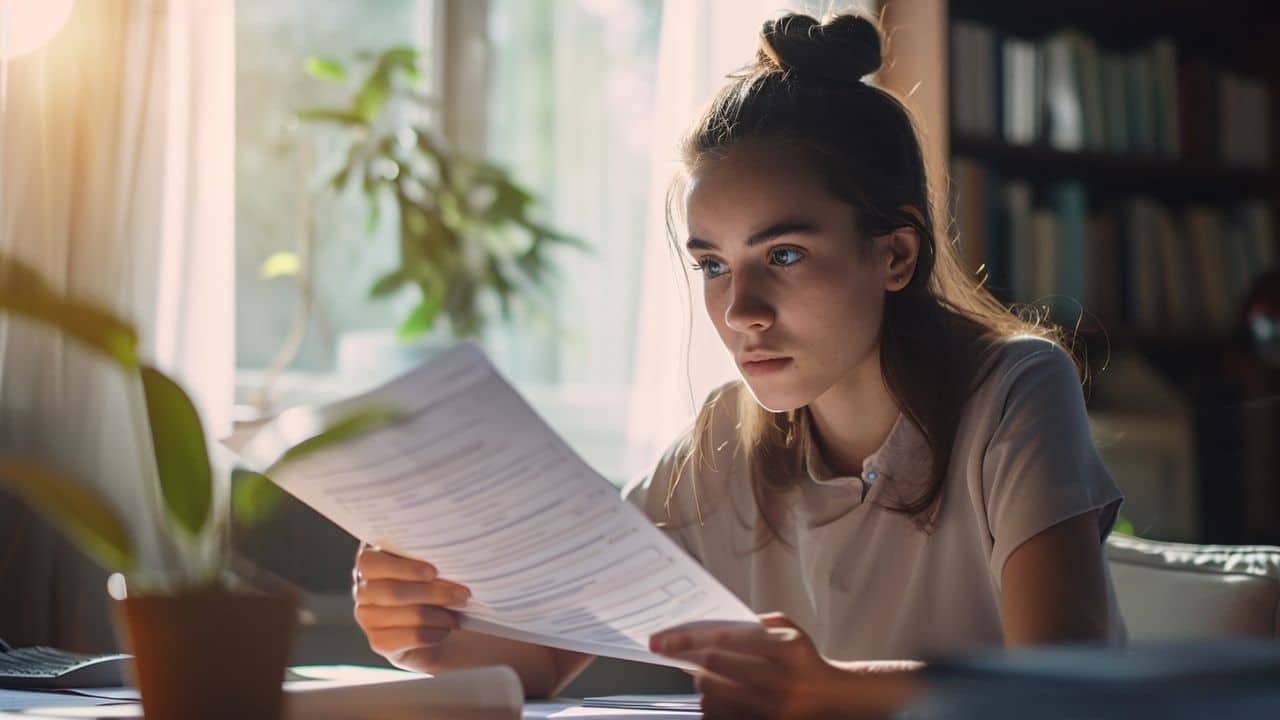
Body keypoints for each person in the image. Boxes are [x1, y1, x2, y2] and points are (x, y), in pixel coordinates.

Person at [349, 11, 1126, 718]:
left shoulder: (1016, 387)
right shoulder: (727, 437)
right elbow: (542, 659)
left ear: (895, 253)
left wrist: (827, 689)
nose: (740, 310)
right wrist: (422, 635)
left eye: (783, 254)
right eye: (713, 265)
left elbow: (1069, 683)